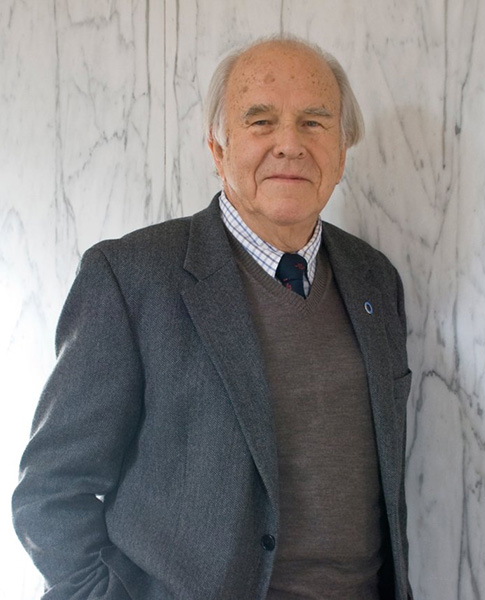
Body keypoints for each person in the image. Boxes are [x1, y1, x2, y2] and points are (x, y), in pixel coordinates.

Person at [13, 36, 413, 600]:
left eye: (314, 123)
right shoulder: (131, 277)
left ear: (343, 150)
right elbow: (51, 493)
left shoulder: (376, 279)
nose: (289, 146)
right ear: (218, 149)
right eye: (261, 121)